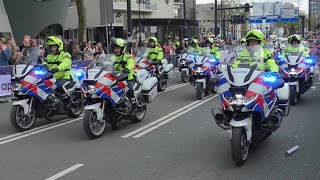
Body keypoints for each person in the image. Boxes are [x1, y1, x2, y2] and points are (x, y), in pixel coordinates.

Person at [43, 36, 72, 106]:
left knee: (58, 85)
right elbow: (44, 62)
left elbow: (66, 63)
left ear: (59, 47)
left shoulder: (65, 54)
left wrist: (58, 68)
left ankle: (68, 99)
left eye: (54, 47)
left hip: (64, 76)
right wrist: (44, 66)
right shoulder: (49, 56)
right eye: (51, 47)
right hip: (51, 77)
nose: (52, 49)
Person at [112, 38, 136, 113]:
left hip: (127, 78)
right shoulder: (112, 57)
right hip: (115, 79)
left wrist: (127, 69)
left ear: (122, 48)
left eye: (118, 48)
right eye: (115, 48)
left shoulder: (128, 56)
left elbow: (131, 63)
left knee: (130, 89)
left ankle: (134, 105)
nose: (116, 50)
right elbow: (106, 64)